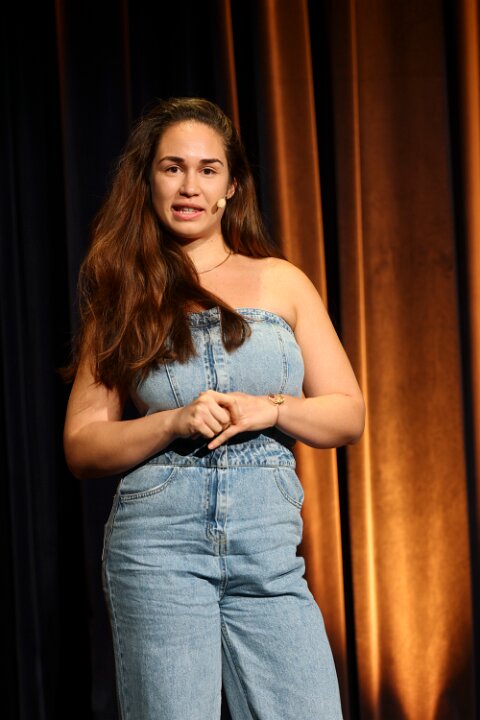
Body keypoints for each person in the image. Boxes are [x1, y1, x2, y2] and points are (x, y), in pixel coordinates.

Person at [63, 97, 365, 720]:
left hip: (268, 553)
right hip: (159, 550)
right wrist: (171, 421)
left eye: (207, 170)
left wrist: (271, 409)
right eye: (172, 168)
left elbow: (347, 414)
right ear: (148, 180)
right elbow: (83, 445)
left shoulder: (283, 281)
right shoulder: (123, 291)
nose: (189, 186)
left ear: (231, 187)